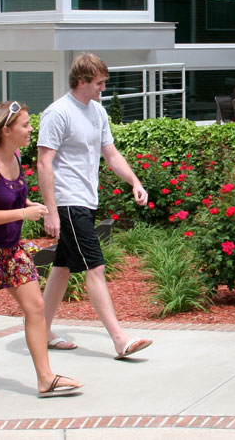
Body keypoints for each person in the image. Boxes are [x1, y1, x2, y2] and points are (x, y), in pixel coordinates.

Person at [0, 101, 81, 401]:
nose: (30, 129)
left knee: (35, 309)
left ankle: (46, 379)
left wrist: (28, 205)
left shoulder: (17, 158)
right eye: (25, 125)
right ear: (6, 131)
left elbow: (11, 198)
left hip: (10, 250)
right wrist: (23, 214)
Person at [39, 54, 153, 359]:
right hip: (68, 202)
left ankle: (40, 330)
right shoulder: (58, 113)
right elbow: (44, 163)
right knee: (95, 265)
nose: (103, 88)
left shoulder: (98, 112)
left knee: (62, 268)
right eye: (99, 83)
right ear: (82, 81)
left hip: (86, 200)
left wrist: (134, 182)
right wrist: (51, 211)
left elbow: (111, 154)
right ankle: (119, 339)